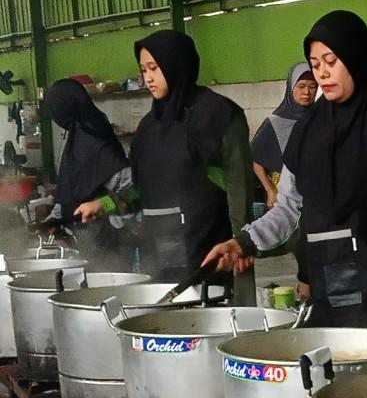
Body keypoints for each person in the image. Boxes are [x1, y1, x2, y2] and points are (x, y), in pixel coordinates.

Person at [203, 10, 367, 330]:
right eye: (315, 64)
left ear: (355, 56)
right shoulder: (308, 130)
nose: (322, 74)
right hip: (327, 280)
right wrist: (244, 242)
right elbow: (288, 209)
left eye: (331, 61)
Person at [74, 30, 253, 286]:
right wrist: (104, 205)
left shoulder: (218, 116)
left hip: (208, 247)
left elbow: (239, 187)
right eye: (143, 70)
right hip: (158, 250)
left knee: (209, 305)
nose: (148, 78)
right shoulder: (149, 126)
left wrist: (243, 242)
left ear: (176, 64)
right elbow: (142, 188)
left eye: (153, 68)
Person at [42, 78, 130, 253]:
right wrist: (53, 220)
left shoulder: (96, 142)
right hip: (81, 243)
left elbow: (133, 194)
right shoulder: (76, 141)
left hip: (108, 244)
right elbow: (69, 195)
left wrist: (101, 205)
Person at [251, 63, 317, 209]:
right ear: (291, 87)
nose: (306, 92)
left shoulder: (322, 118)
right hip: (284, 195)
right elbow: (256, 159)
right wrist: (270, 191)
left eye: (312, 86)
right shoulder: (276, 122)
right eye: (301, 86)